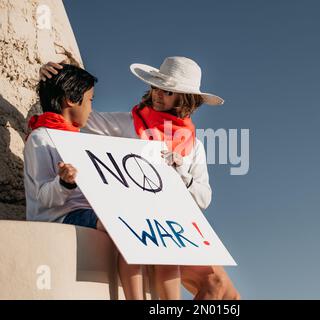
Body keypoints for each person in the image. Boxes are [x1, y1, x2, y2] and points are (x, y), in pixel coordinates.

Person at [40, 57, 241, 300]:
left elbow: (204, 198)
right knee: (181, 283)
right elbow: (71, 114)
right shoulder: (127, 124)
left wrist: (181, 175)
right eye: (155, 86)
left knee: (224, 290)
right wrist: (55, 81)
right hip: (140, 224)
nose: (157, 94)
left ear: (185, 98)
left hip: (176, 225)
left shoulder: (194, 145)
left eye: (167, 91)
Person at [25, 64, 144, 300]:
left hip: (88, 211)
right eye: (90, 100)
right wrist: (64, 183)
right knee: (126, 228)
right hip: (61, 215)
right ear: (71, 99)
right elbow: (42, 197)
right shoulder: (40, 139)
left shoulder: (81, 140)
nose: (92, 108)